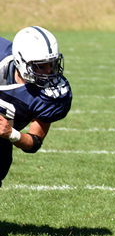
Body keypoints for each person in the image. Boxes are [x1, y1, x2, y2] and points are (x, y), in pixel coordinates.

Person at [0, 26, 72, 187]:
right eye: (40, 66)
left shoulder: (51, 95)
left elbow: (34, 142)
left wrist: (11, 133)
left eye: (52, 64)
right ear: (20, 61)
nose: (48, 71)